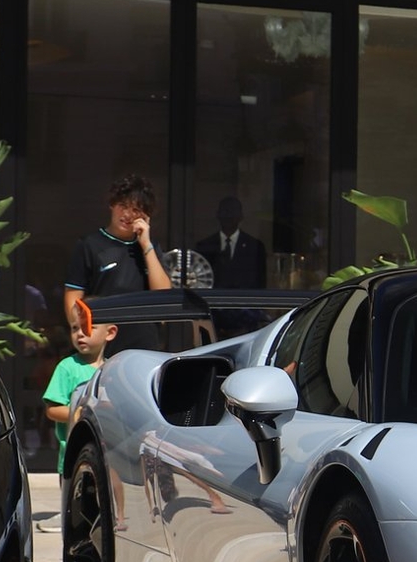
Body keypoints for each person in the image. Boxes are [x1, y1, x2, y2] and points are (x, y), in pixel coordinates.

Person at [63, 173, 172, 341]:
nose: (127, 215)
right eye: (123, 206)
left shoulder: (150, 248)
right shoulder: (89, 244)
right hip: (102, 344)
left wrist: (146, 245)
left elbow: (164, 297)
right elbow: (73, 295)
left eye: (136, 210)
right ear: (112, 205)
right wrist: (83, 333)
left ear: (145, 216)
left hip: (145, 343)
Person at [43, 313, 115, 472]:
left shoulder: (113, 370)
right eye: (75, 328)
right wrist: (79, 413)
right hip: (75, 459)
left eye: (88, 327)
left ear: (110, 333)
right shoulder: (67, 367)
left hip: (109, 460)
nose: (80, 333)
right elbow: (52, 409)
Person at [193, 194, 268, 289]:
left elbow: (260, 283)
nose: (229, 216)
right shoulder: (204, 246)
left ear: (241, 216)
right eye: (225, 211)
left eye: (233, 212)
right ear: (218, 215)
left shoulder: (255, 247)